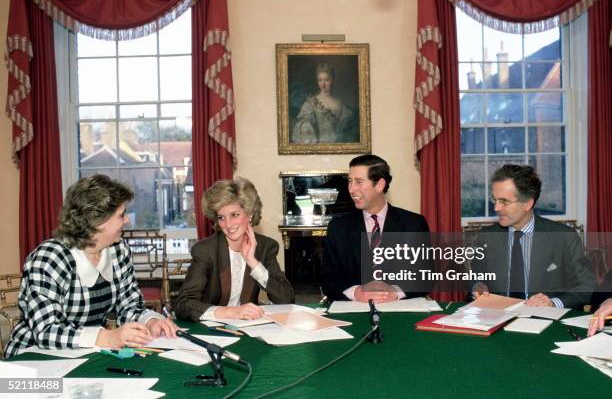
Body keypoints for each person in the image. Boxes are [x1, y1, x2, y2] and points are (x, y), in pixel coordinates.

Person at [4, 175, 177, 358]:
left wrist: (149, 320)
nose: (127, 220)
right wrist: (106, 337)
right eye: (121, 215)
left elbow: (129, 305)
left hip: (83, 355)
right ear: (96, 221)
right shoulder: (49, 258)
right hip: (32, 357)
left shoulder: (118, 250)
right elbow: (46, 332)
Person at [472, 165, 594, 309]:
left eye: (504, 201)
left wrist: (553, 303)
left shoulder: (564, 237)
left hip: (546, 323)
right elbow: (476, 277)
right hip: (496, 319)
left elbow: (586, 285)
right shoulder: (488, 236)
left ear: (527, 203)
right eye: (495, 199)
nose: (496, 208)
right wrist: (477, 287)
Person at [175, 178, 294, 322]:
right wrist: (230, 312)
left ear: (249, 214)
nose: (228, 224)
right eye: (221, 217)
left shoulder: (266, 247)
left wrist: (254, 263)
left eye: (235, 215)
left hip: (249, 328)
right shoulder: (205, 250)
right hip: (211, 330)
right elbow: (183, 304)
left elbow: (287, 298)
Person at [321, 154, 430, 302]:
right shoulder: (338, 228)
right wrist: (356, 292)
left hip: (400, 311)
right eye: (350, 181)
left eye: (359, 182)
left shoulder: (413, 224)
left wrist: (395, 292)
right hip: (353, 311)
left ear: (379, 185)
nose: (351, 189)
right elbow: (328, 280)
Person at [292, 63, 357, 144]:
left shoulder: (340, 102)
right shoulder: (311, 103)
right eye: (320, 80)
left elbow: (348, 130)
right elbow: (304, 125)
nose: (323, 84)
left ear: (332, 80)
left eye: (327, 80)